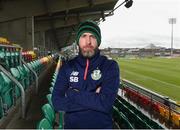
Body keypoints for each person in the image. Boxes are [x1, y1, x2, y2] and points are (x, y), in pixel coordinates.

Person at [52, 20, 120, 129]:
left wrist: (72, 93)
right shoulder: (67, 67)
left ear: (98, 41)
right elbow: (57, 102)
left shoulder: (110, 66)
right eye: (83, 36)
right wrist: (96, 99)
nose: (88, 41)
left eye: (92, 36)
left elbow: (106, 103)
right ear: (78, 41)